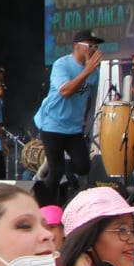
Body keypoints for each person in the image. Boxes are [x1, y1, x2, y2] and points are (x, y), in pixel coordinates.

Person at [32, 30, 104, 204]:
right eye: (89, 46)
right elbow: (65, 91)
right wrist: (86, 70)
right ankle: (45, 207)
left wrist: (85, 120)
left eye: (95, 46)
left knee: (83, 166)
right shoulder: (62, 65)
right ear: (76, 46)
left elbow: (89, 98)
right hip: (52, 123)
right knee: (56, 171)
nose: (93, 49)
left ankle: (55, 173)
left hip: (73, 127)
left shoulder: (94, 72)